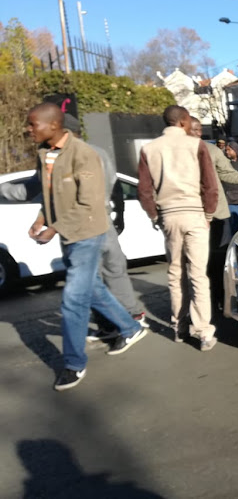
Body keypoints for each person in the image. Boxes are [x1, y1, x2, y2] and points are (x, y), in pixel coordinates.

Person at [26, 103, 147, 391]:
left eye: (33, 125)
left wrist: (53, 228)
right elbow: (52, 196)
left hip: (88, 233)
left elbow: (89, 203)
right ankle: (130, 328)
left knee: (73, 300)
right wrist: (41, 219)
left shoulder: (84, 154)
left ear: (54, 125)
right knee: (93, 290)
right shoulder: (46, 154)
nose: (28, 130)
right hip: (68, 234)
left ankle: (73, 364)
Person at [60, 115, 149, 342]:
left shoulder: (76, 154)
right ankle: (123, 320)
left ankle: (121, 323)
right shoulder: (98, 152)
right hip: (101, 219)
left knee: (99, 276)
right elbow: (112, 184)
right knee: (110, 273)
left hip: (89, 223)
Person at [138, 106, 219, 351]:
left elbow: (144, 190)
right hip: (194, 213)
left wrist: (155, 216)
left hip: (168, 215)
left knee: (175, 273)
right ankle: (204, 331)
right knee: (198, 274)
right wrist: (208, 214)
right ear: (184, 122)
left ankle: (179, 327)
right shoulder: (196, 145)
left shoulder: (148, 149)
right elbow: (210, 185)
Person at [187, 117, 238, 314]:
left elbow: (229, 174)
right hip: (191, 214)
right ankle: (197, 304)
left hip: (216, 214)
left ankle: (219, 298)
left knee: (217, 259)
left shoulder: (211, 151)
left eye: (199, 129)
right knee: (195, 263)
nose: (197, 133)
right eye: (193, 129)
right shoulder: (173, 151)